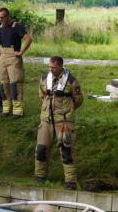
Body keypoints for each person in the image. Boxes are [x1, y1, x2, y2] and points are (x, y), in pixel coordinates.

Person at [36, 56, 83, 189]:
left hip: (63, 122)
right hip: (46, 120)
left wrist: (66, 111)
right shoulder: (45, 78)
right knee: (41, 150)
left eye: (53, 67)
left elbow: (78, 100)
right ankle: (40, 177)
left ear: (61, 66)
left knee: (66, 151)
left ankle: (70, 181)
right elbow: (42, 95)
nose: (51, 69)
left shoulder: (71, 81)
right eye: (49, 67)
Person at [0, 7, 33, 117]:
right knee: (3, 83)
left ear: (8, 16)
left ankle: (17, 110)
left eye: (2, 17)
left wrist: (21, 52)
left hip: (14, 58)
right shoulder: (0, 28)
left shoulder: (17, 26)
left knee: (15, 83)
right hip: (2, 57)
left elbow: (28, 39)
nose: (0, 19)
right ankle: (6, 108)